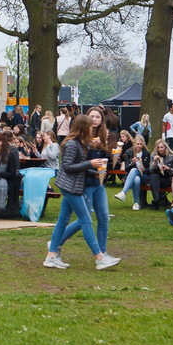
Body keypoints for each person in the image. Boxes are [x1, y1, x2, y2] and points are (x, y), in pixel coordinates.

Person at [44, 114, 120, 270]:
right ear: (83, 127)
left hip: (72, 186)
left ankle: (51, 255)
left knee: (63, 220)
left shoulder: (79, 143)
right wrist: (90, 163)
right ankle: (100, 258)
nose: (92, 129)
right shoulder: (72, 144)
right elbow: (68, 167)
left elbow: (78, 167)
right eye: (90, 127)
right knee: (85, 219)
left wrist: (93, 171)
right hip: (71, 187)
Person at [56, 106, 114, 259]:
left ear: (102, 120)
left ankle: (102, 252)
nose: (94, 120)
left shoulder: (102, 136)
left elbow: (101, 161)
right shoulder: (78, 141)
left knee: (102, 217)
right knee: (84, 220)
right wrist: (91, 154)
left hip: (96, 182)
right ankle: (56, 246)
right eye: (92, 117)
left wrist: (108, 152)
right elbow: (73, 164)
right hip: (81, 184)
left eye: (97, 117)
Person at [114, 135, 150, 210]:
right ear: (134, 144)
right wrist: (132, 163)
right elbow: (127, 168)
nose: (139, 146)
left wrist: (144, 169)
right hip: (132, 176)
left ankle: (123, 192)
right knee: (136, 179)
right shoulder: (129, 152)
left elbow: (150, 169)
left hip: (144, 176)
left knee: (134, 170)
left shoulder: (146, 153)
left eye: (141, 144)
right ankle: (136, 203)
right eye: (137, 144)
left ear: (143, 144)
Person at [148, 139, 173, 209]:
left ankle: (157, 201)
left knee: (154, 180)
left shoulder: (172, 156)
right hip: (157, 178)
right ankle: (157, 199)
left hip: (168, 179)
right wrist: (154, 162)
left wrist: (168, 168)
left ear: (165, 147)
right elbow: (150, 170)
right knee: (154, 177)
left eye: (162, 147)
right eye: (158, 148)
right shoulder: (154, 155)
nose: (160, 149)